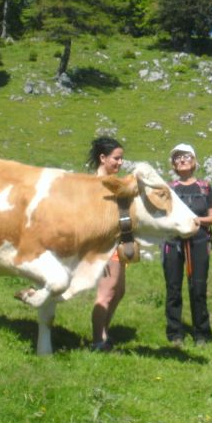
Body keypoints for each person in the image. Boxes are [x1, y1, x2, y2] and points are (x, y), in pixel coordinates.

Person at [162, 143, 212, 346]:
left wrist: (197, 221)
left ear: (194, 161)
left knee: (198, 286)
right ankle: (175, 332)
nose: (182, 160)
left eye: (186, 156)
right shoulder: (169, 189)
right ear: (174, 165)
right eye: (177, 158)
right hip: (173, 240)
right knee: (173, 286)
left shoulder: (204, 187)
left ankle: (201, 332)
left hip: (199, 240)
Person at [88, 136, 126, 352]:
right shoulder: (94, 184)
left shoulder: (115, 183)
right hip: (103, 246)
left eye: (121, 159)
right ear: (103, 158)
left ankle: (104, 332)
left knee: (119, 291)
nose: (120, 163)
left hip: (118, 243)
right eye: (116, 159)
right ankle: (97, 340)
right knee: (106, 292)